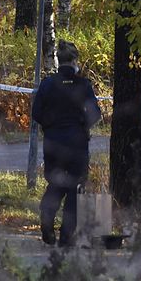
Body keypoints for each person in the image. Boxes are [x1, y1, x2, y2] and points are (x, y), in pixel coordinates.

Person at [32, 41, 102, 246]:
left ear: (59, 61)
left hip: (53, 142)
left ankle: (47, 216)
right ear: (74, 61)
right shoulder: (83, 85)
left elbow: (36, 113)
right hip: (77, 144)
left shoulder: (47, 84)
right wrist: (82, 126)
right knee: (75, 188)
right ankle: (66, 236)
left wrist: (50, 127)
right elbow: (95, 114)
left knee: (55, 182)